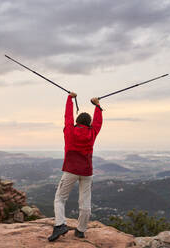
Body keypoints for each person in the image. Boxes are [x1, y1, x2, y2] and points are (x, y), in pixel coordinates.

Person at [48, 92, 103, 242]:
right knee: (85, 201)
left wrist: (69, 99)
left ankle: (60, 225)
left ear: (77, 121)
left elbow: (68, 116)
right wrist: (97, 106)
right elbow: (98, 122)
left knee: (60, 199)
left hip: (70, 170)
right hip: (87, 171)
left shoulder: (70, 130)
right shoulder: (92, 132)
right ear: (89, 124)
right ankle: (80, 230)